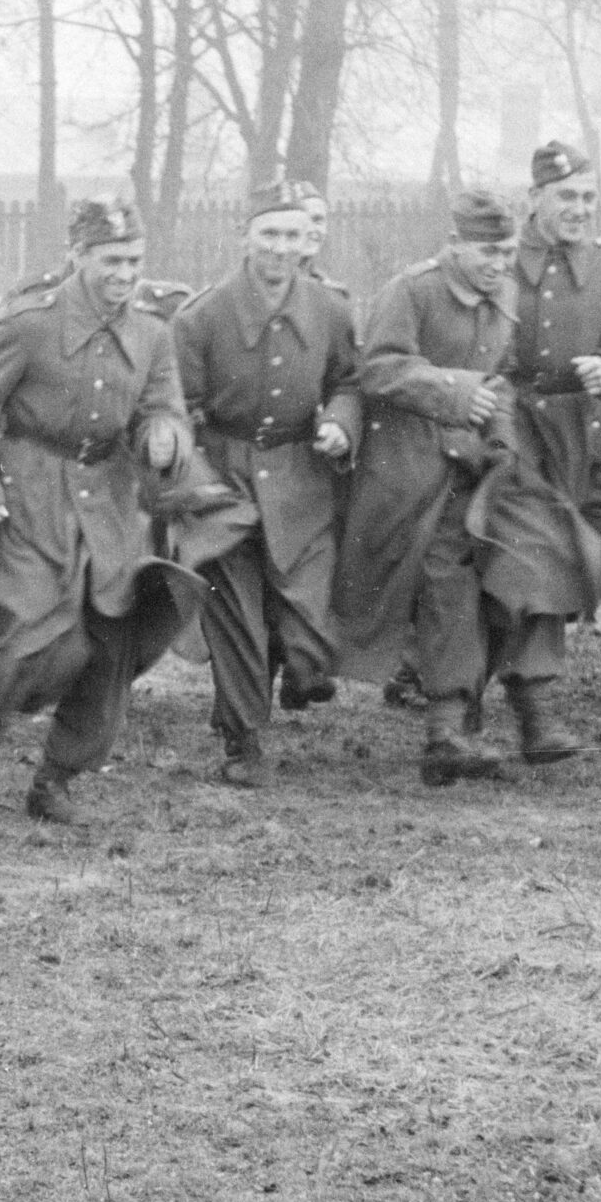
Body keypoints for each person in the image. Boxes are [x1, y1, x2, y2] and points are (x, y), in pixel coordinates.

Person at [0, 199, 204, 822]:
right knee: (48, 639)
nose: (125, 274)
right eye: (111, 260)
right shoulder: (28, 323)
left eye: (134, 260)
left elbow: (163, 408)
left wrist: (165, 437)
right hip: (29, 493)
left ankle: (56, 778)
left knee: (111, 640)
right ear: (78, 255)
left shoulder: (151, 332)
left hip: (109, 499)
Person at [168, 183, 362, 784]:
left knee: (305, 619)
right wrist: (197, 483)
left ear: (309, 240)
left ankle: (290, 674)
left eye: (292, 235)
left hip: (302, 478)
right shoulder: (201, 317)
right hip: (224, 480)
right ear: (244, 237)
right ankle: (242, 739)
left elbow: (349, 382)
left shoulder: (330, 309)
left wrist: (341, 423)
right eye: (269, 234)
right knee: (234, 614)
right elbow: (176, 408)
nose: (280, 248)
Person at [473, 138, 601, 764]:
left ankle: (483, 694)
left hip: (571, 435)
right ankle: (528, 705)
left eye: (588, 197)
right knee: (534, 551)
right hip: (500, 422)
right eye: (566, 197)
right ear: (535, 199)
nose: (580, 208)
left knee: (541, 556)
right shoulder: (499, 254)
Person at [340, 190, 521, 784]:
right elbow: (378, 368)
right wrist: (454, 391)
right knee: (430, 588)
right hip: (405, 470)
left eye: (508, 252)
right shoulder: (411, 290)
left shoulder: (504, 297)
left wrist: (502, 437)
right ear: (455, 245)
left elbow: (501, 381)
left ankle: (449, 730)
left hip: (465, 471)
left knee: (463, 585)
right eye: (488, 251)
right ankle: (445, 728)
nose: (500, 264)